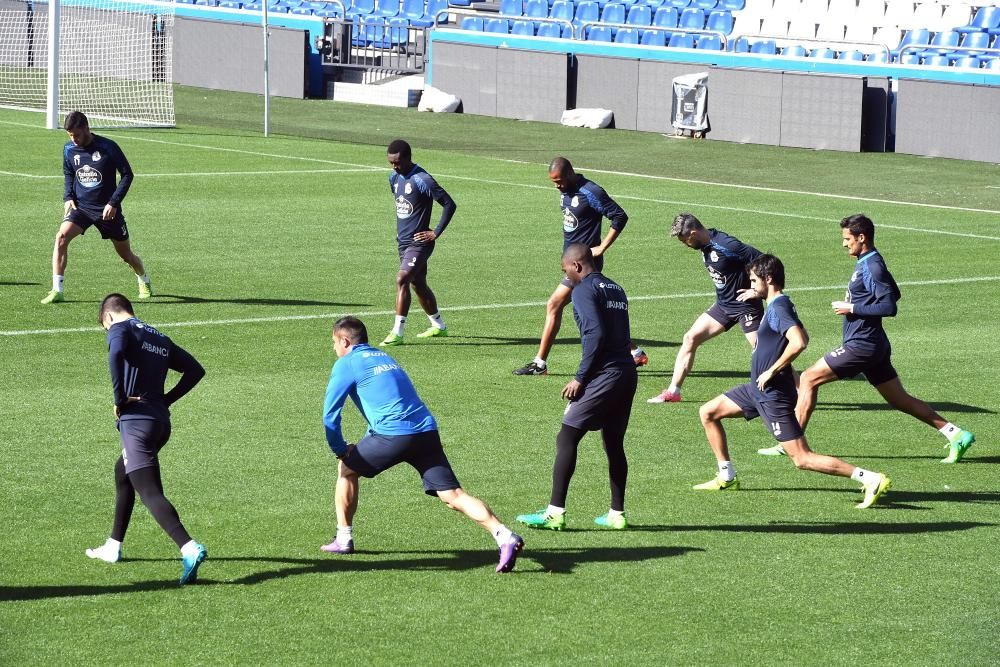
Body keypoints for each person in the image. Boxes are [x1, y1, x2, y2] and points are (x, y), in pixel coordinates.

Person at [322, 316, 524, 573]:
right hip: (426, 431)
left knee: (347, 469)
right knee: (453, 496)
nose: (334, 349)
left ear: (345, 341)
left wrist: (340, 449)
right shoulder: (385, 358)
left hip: (393, 435)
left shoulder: (347, 363)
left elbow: (330, 415)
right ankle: (503, 535)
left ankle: (343, 538)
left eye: (334, 343)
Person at [693, 255, 892, 509]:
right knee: (708, 412)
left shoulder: (779, 307)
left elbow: (800, 341)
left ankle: (870, 478)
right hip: (756, 390)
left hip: (772, 394)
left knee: (801, 458)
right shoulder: (776, 304)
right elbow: (799, 331)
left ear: (769, 279)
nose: (751, 285)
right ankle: (726, 476)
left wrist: (773, 370)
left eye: (754, 281)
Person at [777, 213, 976, 463]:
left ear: (862, 238)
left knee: (807, 378)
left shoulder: (872, 265)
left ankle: (792, 445)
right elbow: (894, 292)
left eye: (847, 238)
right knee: (899, 399)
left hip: (862, 345)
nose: (844, 243)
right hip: (873, 345)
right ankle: (955, 434)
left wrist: (853, 308)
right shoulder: (869, 261)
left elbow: (890, 306)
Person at [86, 294, 207, 584]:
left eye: (105, 326)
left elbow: (115, 354)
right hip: (159, 422)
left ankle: (189, 547)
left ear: (108, 316)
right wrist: (165, 401)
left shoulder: (119, 329)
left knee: (150, 492)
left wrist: (119, 399)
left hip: (136, 423)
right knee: (123, 472)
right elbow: (195, 370)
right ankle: (114, 546)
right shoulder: (159, 337)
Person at [517, 244, 638, 530]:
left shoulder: (583, 289)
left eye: (566, 270)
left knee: (567, 436)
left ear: (578, 266)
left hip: (604, 374)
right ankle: (616, 514)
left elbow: (596, 333)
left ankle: (554, 512)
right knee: (614, 444)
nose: (566, 275)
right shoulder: (616, 289)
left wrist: (581, 378)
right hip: (625, 373)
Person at [513, 157, 647, 376]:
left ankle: (540, 364)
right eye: (553, 182)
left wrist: (602, 247)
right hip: (572, 263)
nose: (556, 186)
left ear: (570, 173)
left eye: (559, 181)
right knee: (591, 312)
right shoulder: (566, 191)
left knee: (554, 305)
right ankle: (633, 352)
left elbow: (619, 216)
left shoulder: (591, 191)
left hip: (584, 265)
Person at [648, 213, 764, 404]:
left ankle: (798, 388)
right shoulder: (705, 245)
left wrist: (757, 291)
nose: (685, 244)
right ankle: (673, 392)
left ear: (693, 233)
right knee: (690, 338)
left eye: (685, 240)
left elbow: (764, 260)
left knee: (764, 350)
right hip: (724, 305)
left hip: (745, 307)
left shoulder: (727, 245)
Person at [42, 111, 152, 304]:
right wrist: (68, 197)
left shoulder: (108, 147)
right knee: (61, 238)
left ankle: (143, 278)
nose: (73, 139)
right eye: (70, 135)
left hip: (107, 211)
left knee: (126, 256)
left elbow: (127, 175)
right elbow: (69, 173)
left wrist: (113, 202)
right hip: (81, 208)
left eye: (76, 134)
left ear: (86, 128)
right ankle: (57, 290)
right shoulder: (69, 149)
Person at [380, 139, 456, 346]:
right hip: (403, 243)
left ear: (407, 158)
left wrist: (436, 232)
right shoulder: (393, 178)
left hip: (419, 243)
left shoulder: (423, 179)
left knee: (402, 279)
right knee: (418, 284)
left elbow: (449, 204)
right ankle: (438, 326)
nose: (394, 166)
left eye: (397, 162)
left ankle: (397, 332)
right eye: (390, 163)